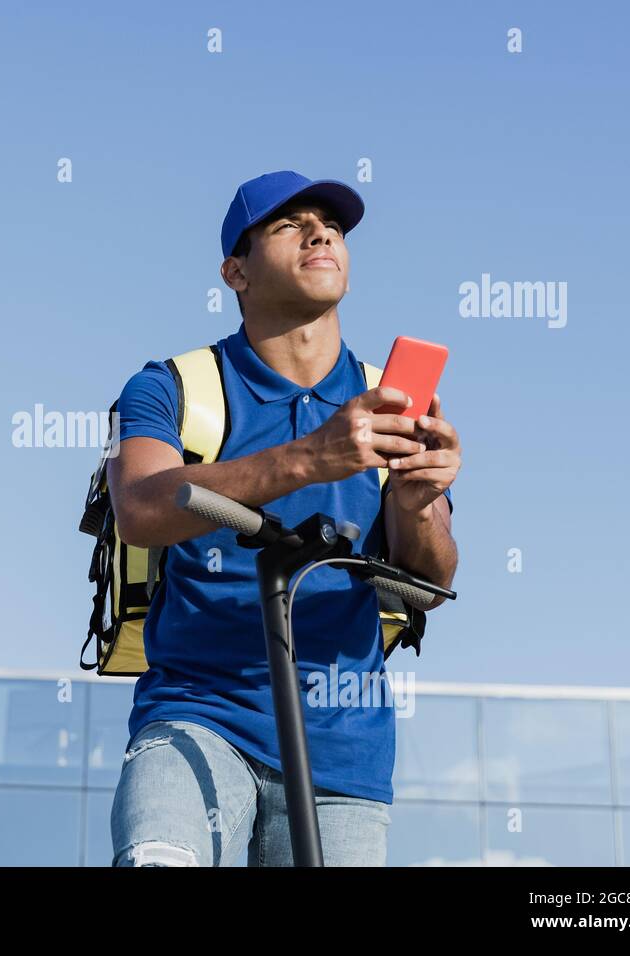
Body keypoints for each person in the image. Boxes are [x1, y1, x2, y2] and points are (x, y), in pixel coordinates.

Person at [108, 170, 461, 866]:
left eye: (329, 224)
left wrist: (418, 504)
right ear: (235, 271)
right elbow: (143, 508)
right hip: (198, 715)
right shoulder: (173, 387)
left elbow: (432, 578)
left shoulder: (385, 401)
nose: (319, 232)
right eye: (287, 224)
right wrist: (311, 457)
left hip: (345, 749)